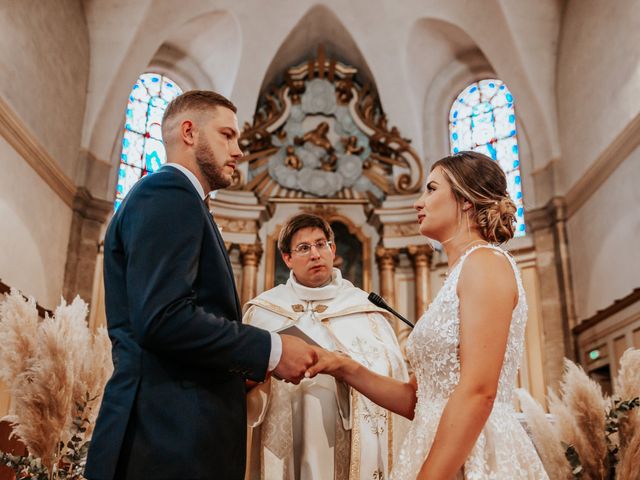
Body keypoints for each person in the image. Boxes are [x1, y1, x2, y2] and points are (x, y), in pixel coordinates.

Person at [85, 91, 318, 480]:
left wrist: (237, 368)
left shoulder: (182, 202)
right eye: (227, 135)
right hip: (163, 443)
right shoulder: (169, 193)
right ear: (189, 132)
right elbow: (163, 318)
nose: (239, 150)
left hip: (173, 438)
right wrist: (273, 350)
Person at [306, 151, 550, 479]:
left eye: (431, 189)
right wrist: (345, 367)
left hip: (472, 452)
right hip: (435, 443)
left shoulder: (486, 263)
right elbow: (417, 399)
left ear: (465, 200)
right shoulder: (460, 274)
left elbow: (479, 391)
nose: (418, 202)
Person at [243, 213, 409, 480]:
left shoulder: (364, 308)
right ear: (287, 259)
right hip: (281, 434)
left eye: (321, 245)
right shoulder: (262, 311)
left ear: (332, 250)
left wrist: (342, 365)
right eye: (304, 248)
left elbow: (391, 371)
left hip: (341, 433)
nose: (315, 254)